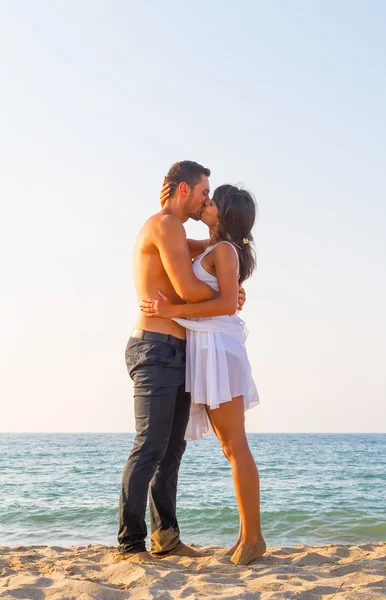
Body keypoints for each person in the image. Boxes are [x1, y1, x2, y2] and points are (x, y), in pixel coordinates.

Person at [118, 161, 246, 563]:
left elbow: (211, 255)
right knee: (150, 447)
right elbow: (190, 290)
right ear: (184, 190)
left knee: (172, 449)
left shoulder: (180, 233)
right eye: (205, 193)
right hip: (154, 348)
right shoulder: (165, 224)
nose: (208, 200)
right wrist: (225, 303)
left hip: (178, 351)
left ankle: (166, 538)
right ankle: (130, 543)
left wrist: (231, 292)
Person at [141, 183, 266, 565]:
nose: (205, 204)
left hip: (218, 350)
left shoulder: (225, 250)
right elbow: (192, 258)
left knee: (235, 447)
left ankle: (254, 537)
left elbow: (227, 303)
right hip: (208, 348)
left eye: (212, 202)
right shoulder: (214, 247)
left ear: (223, 215)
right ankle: (246, 536)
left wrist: (171, 313)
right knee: (231, 447)